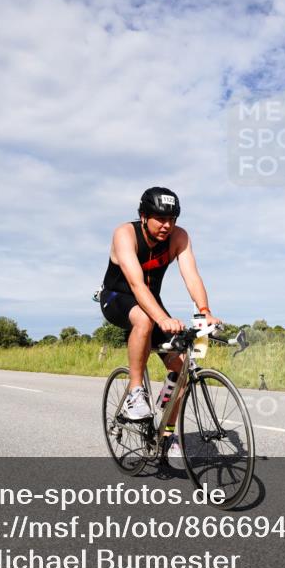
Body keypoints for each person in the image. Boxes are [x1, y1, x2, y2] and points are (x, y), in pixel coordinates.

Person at [99, 187, 221, 463]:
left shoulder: (179, 237)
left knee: (180, 368)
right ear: (143, 216)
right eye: (159, 218)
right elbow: (135, 284)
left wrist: (205, 311)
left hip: (151, 301)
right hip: (118, 298)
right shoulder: (125, 234)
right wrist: (162, 319)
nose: (167, 225)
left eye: (172, 219)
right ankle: (134, 392)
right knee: (142, 319)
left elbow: (191, 275)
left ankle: (167, 434)